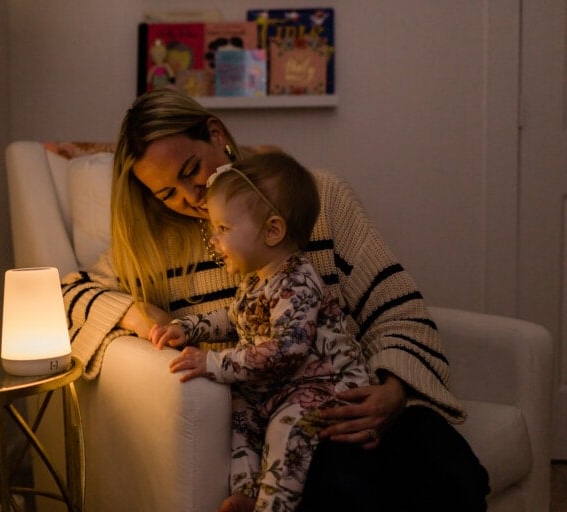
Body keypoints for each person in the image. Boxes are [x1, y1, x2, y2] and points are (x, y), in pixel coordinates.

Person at [61, 89, 489, 510]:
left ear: (216, 133)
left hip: (358, 394)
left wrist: (393, 391)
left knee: (455, 472)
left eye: (191, 170)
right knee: (345, 486)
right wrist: (141, 315)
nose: (190, 197)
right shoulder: (152, 247)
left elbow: (396, 309)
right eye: (166, 193)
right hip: (281, 424)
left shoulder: (321, 196)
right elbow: (68, 292)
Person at [148, 152, 372, 512]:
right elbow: (234, 317)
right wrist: (187, 328)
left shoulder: (297, 281)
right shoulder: (257, 280)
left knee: (287, 428)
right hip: (277, 387)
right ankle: (245, 492)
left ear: (272, 231)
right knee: (241, 417)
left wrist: (214, 362)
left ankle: (273, 504)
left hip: (325, 390)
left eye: (223, 229)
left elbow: (287, 349)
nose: (215, 241)